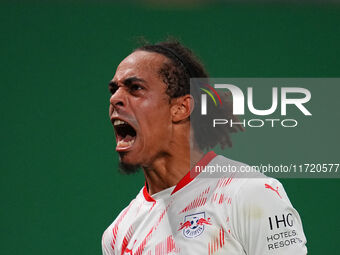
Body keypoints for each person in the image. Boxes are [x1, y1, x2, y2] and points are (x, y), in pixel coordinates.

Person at [102, 40, 307, 255]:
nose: (115, 98)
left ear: (180, 108)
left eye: (135, 88)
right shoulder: (118, 234)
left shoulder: (249, 193)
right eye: (113, 89)